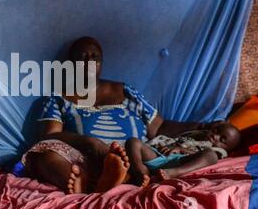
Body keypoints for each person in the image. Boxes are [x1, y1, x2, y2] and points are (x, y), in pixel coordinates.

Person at [22, 36, 221, 193]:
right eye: (82, 58)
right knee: (44, 155)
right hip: (87, 159)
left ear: (101, 62)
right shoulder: (59, 97)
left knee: (134, 154)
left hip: (136, 160)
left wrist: (202, 127)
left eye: (94, 57)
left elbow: (159, 127)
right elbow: (49, 136)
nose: (89, 62)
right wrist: (90, 143)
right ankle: (92, 183)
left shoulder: (125, 91)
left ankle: (117, 177)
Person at [125, 121, 240, 181]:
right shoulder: (196, 134)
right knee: (133, 142)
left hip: (180, 162)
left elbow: (208, 159)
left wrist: (182, 150)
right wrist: (165, 145)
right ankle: (140, 171)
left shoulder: (219, 151)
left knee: (210, 155)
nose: (216, 136)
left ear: (227, 148)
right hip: (160, 155)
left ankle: (174, 173)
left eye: (222, 139)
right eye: (216, 131)